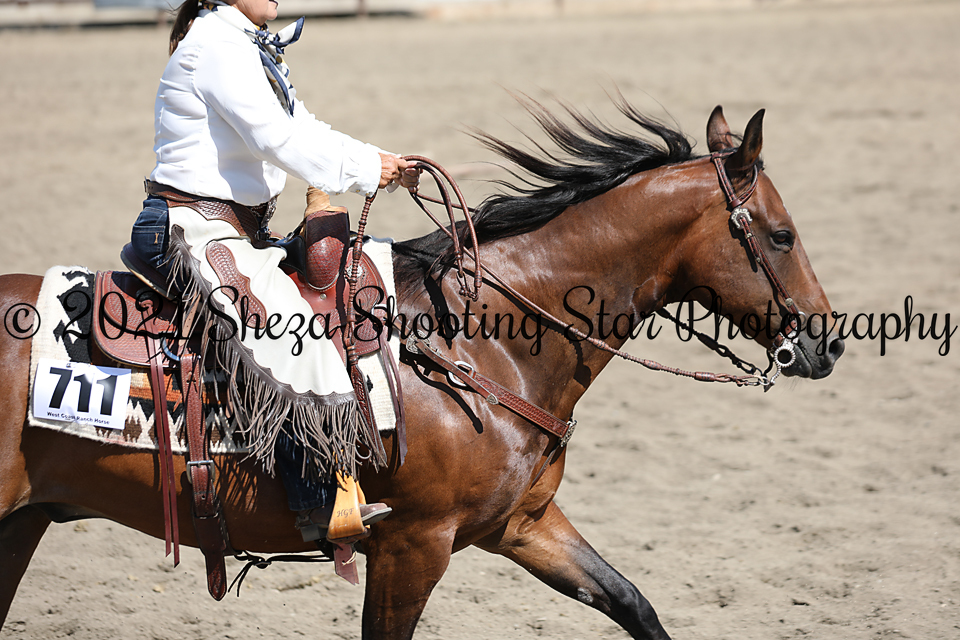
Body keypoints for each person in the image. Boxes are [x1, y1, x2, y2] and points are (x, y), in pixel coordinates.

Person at [127, 0, 418, 542]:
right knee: (292, 329)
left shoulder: (244, 44)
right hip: (191, 229)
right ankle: (316, 502)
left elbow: (302, 126)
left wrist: (379, 158)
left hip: (231, 230)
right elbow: (276, 141)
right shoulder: (217, 47)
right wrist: (365, 169)